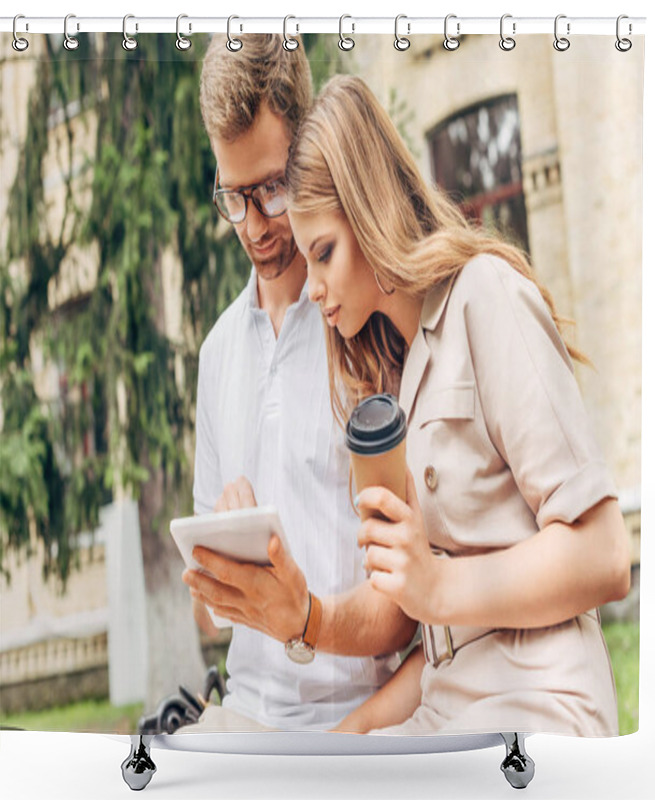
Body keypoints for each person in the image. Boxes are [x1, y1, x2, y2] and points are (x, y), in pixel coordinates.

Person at [284, 75, 631, 736]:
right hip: (450, 709)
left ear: (369, 211)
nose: (312, 289)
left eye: (323, 253)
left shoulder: (485, 297)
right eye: (306, 263)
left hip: (536, 708)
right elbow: (449, 645)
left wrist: (437, 588)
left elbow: (606, 556)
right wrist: (344, 737)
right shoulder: (405, 373)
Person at [181, 37, 415, 732]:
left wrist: (302, 615)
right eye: (232, 197)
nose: (252, 226)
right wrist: (225, 560)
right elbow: (206, 615)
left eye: (271, 190)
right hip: (244, 715)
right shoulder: (218, 352)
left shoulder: (366, 324)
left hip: (357, 721)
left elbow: (407, 614)